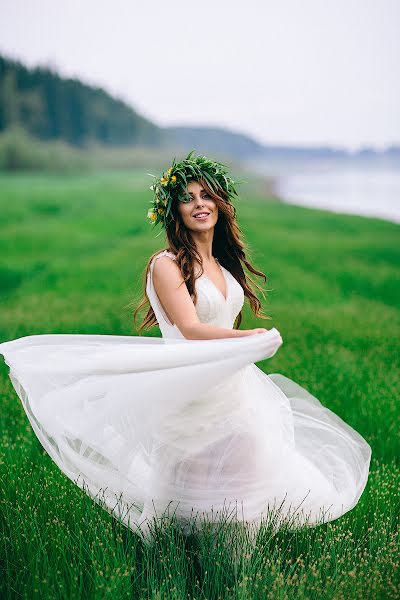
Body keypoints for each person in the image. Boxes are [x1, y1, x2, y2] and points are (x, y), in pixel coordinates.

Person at [0, 151, 371, 544]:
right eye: (189, 197)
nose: (199, 204)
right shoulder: (167, 264)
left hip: (236, 390)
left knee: (243, 497)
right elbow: (191, 329)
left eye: (207, 196)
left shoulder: (223, 267)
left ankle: (235, 576)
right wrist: (252, 338)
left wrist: (245, 346)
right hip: (190, 393)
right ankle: (172, 567)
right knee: (187, 501)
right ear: (173, 209)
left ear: (221, 205)